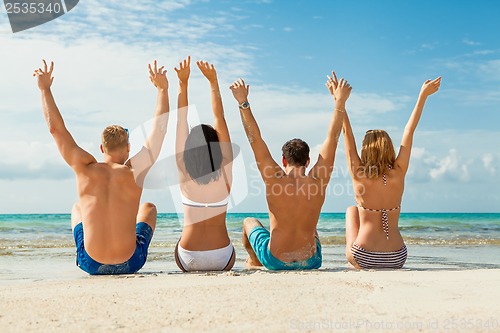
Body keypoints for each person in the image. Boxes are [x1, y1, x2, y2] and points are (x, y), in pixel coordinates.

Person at [33, 59, 170, 275]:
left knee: (78, 208)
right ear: (128, 147)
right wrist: (163, 89)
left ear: (101, 148)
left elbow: (56, 130)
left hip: (92, 264)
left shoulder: (84, 167)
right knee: (148, 208)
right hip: (130, 263)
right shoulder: (135, 170)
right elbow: (160, 130)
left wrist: (44, 89)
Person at [230, 73, 351, 270]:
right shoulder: (318, 180)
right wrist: (340, 102)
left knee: (249, 221)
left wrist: (243, 103)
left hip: (275, 260)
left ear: (283, 160)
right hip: (311, 261)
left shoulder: (274, 179)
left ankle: (253, 261)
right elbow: (333, 138)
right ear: (308, 161)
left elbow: (255, 140)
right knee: (311, 228)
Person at [343, 76, 442, 269]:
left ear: (365, 150)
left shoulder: (359, 173)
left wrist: (340, 103)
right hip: (397, 257)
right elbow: (409, 130)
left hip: (364, 256)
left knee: (351, 210)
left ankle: (354, 258)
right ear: (389, 148)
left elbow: (347, 133)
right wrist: (423, 96)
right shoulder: (398, 171)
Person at [173, 56, 235, 272]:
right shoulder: (226, 166)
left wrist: (183, 83)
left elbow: (181, 119)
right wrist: (213, 82)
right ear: (217, 147)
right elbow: (220, 116)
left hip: (188, 256)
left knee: (179, 244)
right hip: (222, 257)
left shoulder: (182, 167)